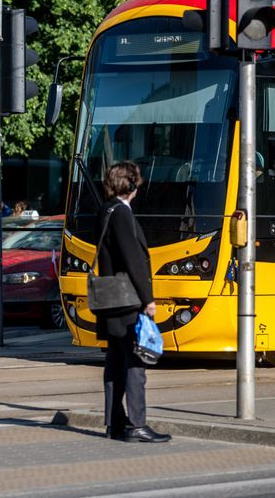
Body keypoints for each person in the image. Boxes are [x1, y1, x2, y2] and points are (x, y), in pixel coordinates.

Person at [94, 160, 170, 444]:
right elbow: (134, 260)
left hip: (110, 300)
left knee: (114, 362)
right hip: (127, 301)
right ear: (132, 185)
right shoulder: (122, 214)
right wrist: (148, 299)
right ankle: (137, 424)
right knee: (137, 362)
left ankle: (114, 423)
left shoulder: (105, 210)